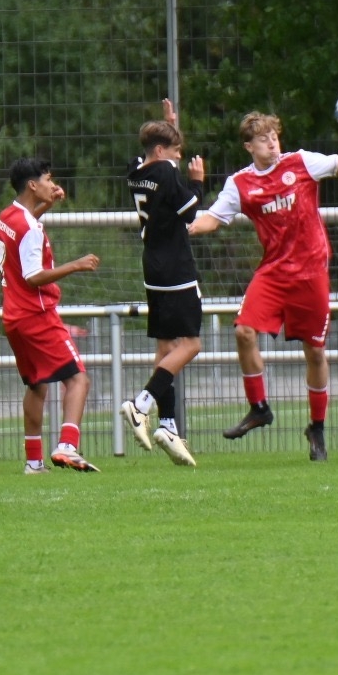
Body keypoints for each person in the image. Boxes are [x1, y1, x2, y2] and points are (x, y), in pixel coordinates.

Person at [190, 111, 338, 462]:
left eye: (274, 137)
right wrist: (190, 227)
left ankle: (317, 428)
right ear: (249, 146)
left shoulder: (301, 162)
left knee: (314, 351)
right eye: (263, 139)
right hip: (273, 273)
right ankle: (259, 408)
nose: (272, 144)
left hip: (311, 272)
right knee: (244, 332)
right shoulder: (240, 184)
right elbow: (214, 218)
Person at [1, 158, 100, 473]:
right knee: (78, 379)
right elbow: (33, 276)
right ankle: (68, 446)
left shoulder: (8, 216)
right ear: (33, 185)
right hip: (38, 315)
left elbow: (24, 231)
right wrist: (76, 265)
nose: (52, 184)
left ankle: (34, 462)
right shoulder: (29, 227)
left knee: (37, 386)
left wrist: (47, 204)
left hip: (13, 317)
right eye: (47, 180)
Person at [120, 100, 202, 466]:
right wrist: (197, 181)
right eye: (176, 150)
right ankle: (141, 404)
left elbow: (158, 163)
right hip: (176, 270)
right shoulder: (168, 174)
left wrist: (171, 126)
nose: (180, 156)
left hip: (152, 269)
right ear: (160, 150)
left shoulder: (135, 170)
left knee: (167, 347)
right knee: (192, 344)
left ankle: (167, 425)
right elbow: (191, 210)